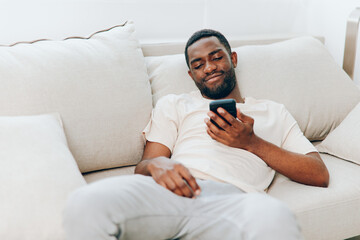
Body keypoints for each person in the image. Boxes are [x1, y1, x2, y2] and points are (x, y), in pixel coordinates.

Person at [63, 29, 329, 240]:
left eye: (216, 57)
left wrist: (251, 142)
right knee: (86, 202)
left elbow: (318, 173)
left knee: (276, 218)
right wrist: (160, 164)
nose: (209, 68)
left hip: (235, 201)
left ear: (232, 58)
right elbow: (145, 164)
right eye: (199, 64)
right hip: (171, 193)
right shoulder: (176, 104)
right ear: (192, 75)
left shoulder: (273, 111)